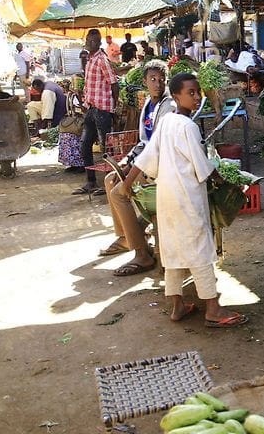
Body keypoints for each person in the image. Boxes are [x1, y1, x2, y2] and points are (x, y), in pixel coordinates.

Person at [121, 72, 248, 328]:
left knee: (173, 250)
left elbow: (147, 155)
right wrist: (225, 182)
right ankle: (212, 309)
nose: (196, 96)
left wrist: (126, 184)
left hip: (167, 197)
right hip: (187, 198)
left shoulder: (167, 121)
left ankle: (177, 306)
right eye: (190, 92)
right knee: (199, 250)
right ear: (176, 95)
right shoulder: (188, 126)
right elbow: (202, 166)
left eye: (197, 92)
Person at [100, 60, 172, 275]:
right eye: (152, 80)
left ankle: (141, 253)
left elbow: (157, 146)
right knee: (110, 179)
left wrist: (133, 168)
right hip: (146, 162)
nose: (157, 84)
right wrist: (128, 159)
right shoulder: (148, 107)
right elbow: (143, 142)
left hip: (159, 168)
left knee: (119, 192)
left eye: (161, 80)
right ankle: (126, 236)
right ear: (144, 82)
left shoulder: (168, 106)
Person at [73, 29, 116, 195]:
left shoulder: (102, 60)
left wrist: (112, 109)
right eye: (88, 41)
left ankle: (109, 184)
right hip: (92, 109)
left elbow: (113, 84)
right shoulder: (90, 59)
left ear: (99, 43)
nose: (90, 44)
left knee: (106, 148)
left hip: (103, 109)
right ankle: (90, 181)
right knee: (85, 145)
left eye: (93, 42)